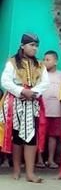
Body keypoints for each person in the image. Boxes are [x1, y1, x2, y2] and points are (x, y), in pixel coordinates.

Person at [0, 33, 49, 182]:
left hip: (32, 103)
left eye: (36, 45)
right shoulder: (12, 62)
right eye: (32, 45)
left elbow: (45, 82)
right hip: (15, 103)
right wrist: (21, 91)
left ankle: (30, 173)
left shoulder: (40, 65)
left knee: (31, 138)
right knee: (17, 137)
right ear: (22, 46)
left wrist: (33, 92)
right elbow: (5, 81)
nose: (35, 48)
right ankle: (16, 170)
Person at [37, 51, 61, 169]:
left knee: (53, 136)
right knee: (40, 134)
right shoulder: (40, 74)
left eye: (48, 60)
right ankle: (39, 159)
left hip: (56, 110)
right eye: (44, 59)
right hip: (42, 110)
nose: (45, 62)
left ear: (56, 62)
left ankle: (51, 159)